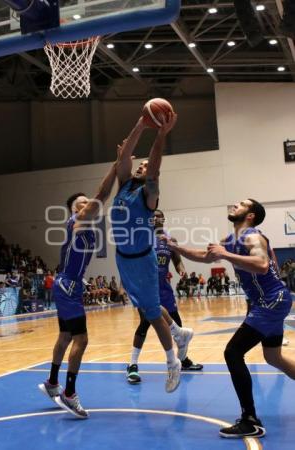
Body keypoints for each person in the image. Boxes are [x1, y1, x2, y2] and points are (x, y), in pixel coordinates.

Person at [164, 199, 295, 438]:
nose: (235, 204)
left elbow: (263, 265)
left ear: (251, 215)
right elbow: (205, 257)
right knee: (274, 357)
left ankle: (250, 420)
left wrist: (224, 254)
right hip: (271, 301)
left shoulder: (252, 237)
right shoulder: (230, 240)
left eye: (242, 204)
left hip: (271, 301)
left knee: (233, 352)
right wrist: (177, 248)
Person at [111, 114, 193, 393]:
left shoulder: (149, 194)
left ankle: (173, 362)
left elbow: (155, 166)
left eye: (146, 165)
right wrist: (140, 124)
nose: (142, 165)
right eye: (140, 163)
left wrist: (160, 135)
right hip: (122, 259)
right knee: (145, 307)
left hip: (142, 258)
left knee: (150, 314)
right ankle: (179, 333)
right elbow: (123, 159)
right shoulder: (124, 185)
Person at [38, 160, 117, 419]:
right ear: (75, 209)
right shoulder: (77, 221)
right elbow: (101, 196)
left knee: (65, 337)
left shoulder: (85, 226)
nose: (87, 205)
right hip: (68, 286)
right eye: (82, 203)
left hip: (68, 285)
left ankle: (52, 382)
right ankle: (69, 394)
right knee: (81, 340)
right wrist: (116, 168)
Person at [126, 209, 203, 384]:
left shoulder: (170, 240)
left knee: (178, 323)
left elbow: (177, 260)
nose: (154, 218)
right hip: (146, 287)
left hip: (164, 288)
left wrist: (181, 270)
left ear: (163, 219)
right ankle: (132, 365)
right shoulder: (142, 239)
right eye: (152, 216)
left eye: (158, 215)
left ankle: (183, 360)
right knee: (144, 323)